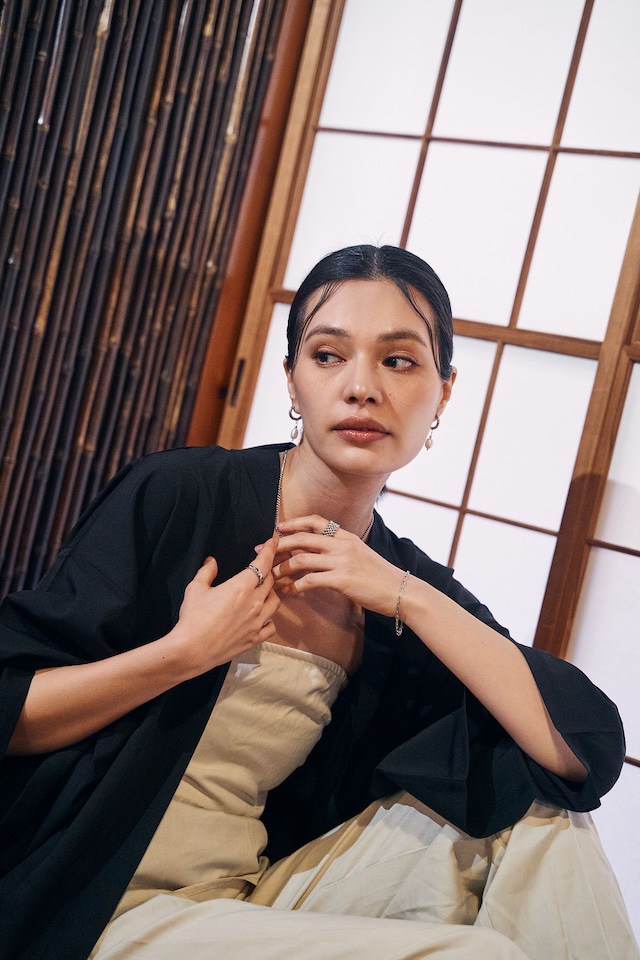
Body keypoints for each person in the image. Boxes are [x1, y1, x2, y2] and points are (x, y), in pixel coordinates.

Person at [0, 245, 637, 960]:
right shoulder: (181, 495)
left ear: (444, 393)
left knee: (542, 818)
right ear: (292, 380)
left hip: (249, 900)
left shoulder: (392, 580)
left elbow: (581, 751)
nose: (361, 388)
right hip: (99, 904)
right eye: (329, 355)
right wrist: (181, 655)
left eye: (399, 361)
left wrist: (404, 596)